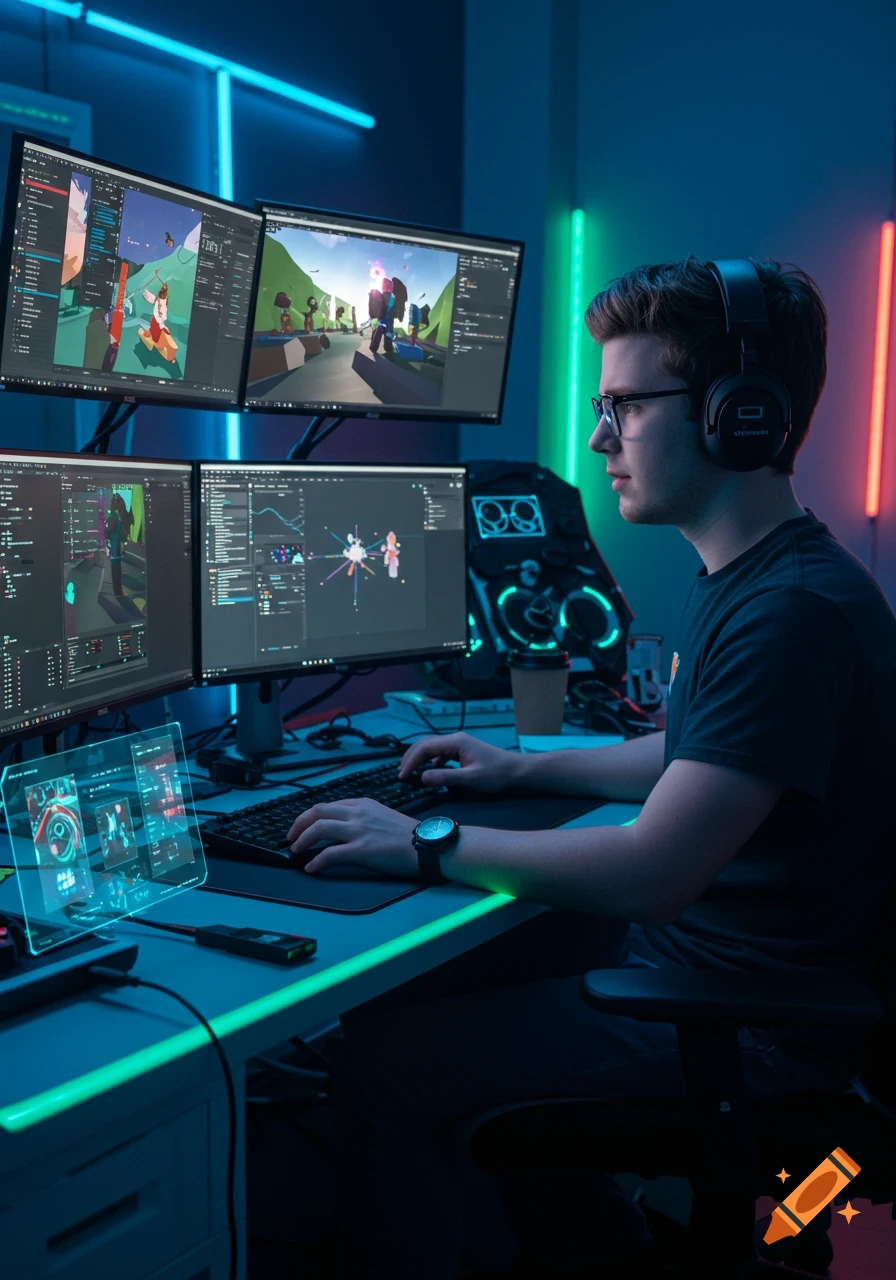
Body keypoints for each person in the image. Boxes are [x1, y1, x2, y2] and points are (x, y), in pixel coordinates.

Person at [285, 257, 896, 1278]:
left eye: (622, 405)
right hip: (721, 971)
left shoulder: (788, 612)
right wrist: (516, 764)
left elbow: (654, 870)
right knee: (418, 991)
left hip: (747, 1024)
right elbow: (708, 751)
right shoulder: (770, 573)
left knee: (382, 1068)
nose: (595, 438)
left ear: (737, 415)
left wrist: (423, 840)